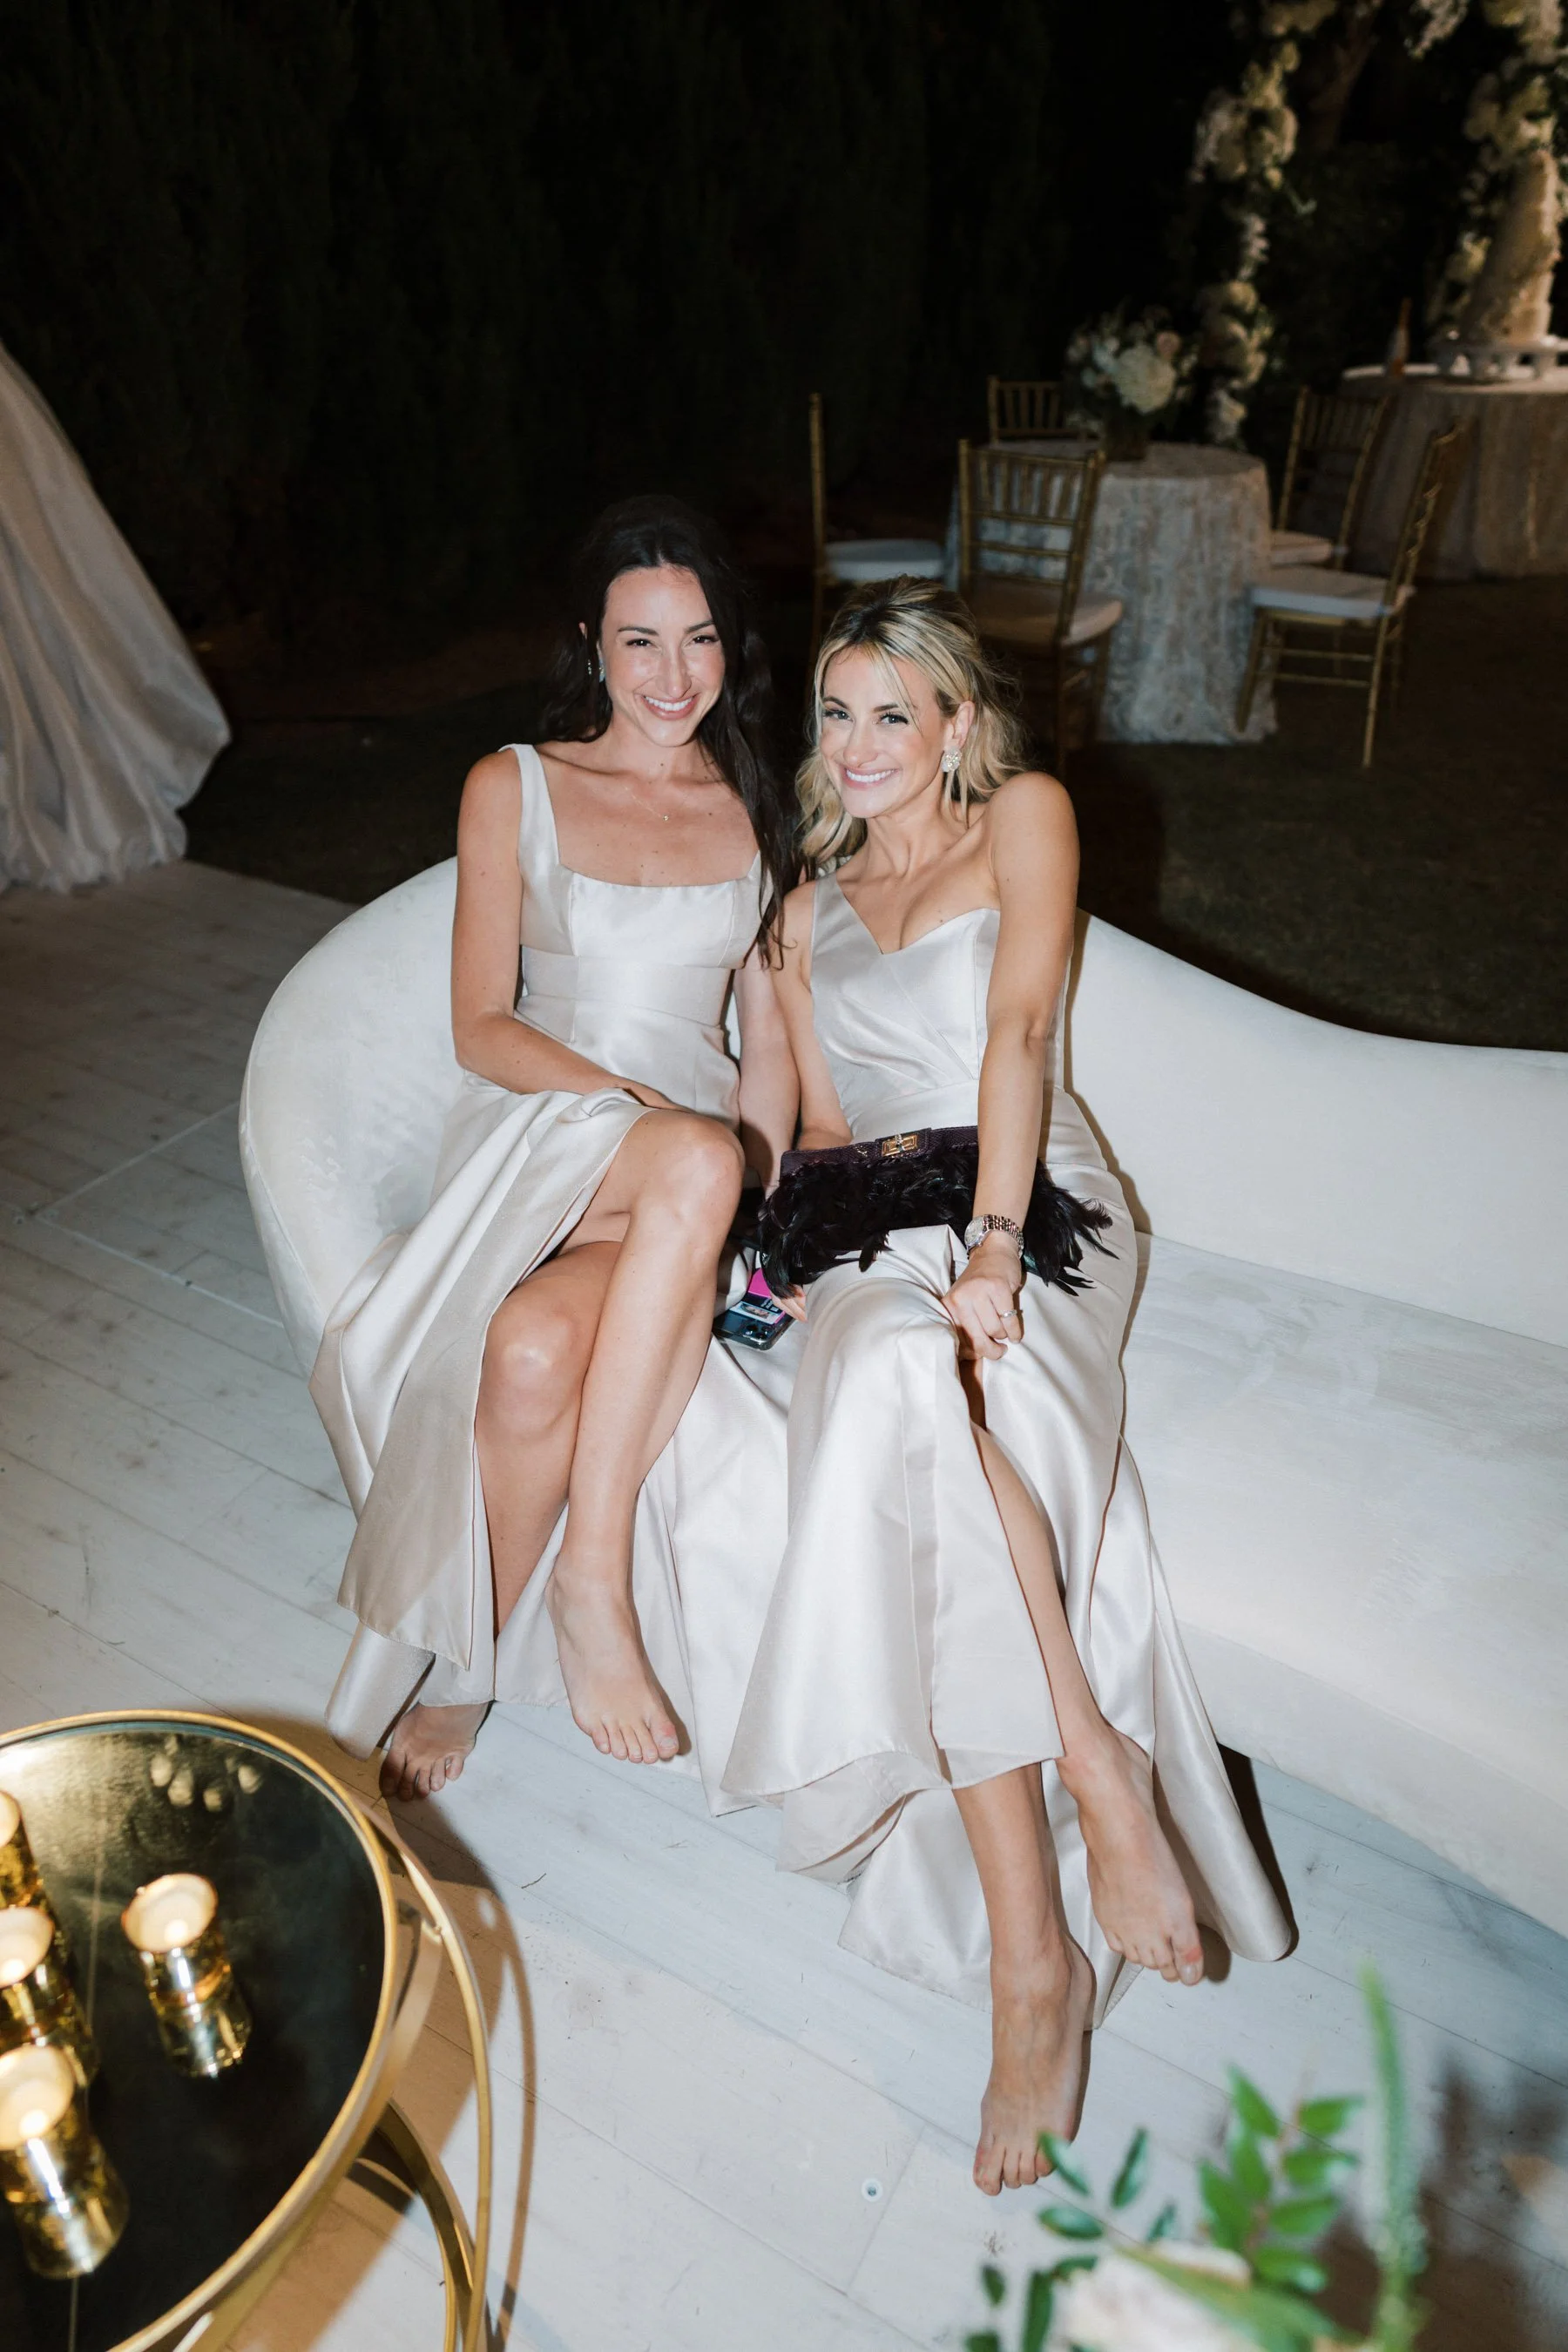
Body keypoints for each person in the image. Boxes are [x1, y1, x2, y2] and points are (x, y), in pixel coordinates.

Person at [721, 579, 1289, 2194]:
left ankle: (1034, 1973)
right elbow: (822, 1129)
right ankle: (1091, 1781)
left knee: (940, 1391)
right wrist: (725, 1233)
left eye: (894, 712)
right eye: (836, 713)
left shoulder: (1022, 818)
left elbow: (1021, 1029)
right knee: (898, 1375)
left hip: (1026, 1206)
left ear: (958, 724)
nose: (860, 743)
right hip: (871, 1234)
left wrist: (984, 1244)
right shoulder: (799, 905)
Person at [311, 497, 799, 1797]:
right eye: (640, 642)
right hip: (540, 1134)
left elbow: (765, 1053)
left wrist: (771, 1187)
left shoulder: (759, 805)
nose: (673, 676)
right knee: (687, 1154)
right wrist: (640, 1119)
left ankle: (469, 1671)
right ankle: (589, 1591)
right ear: (592, 643)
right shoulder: (513, 783)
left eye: (699, 639)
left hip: (688, 1196)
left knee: (532, 1351)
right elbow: (479, 1025)